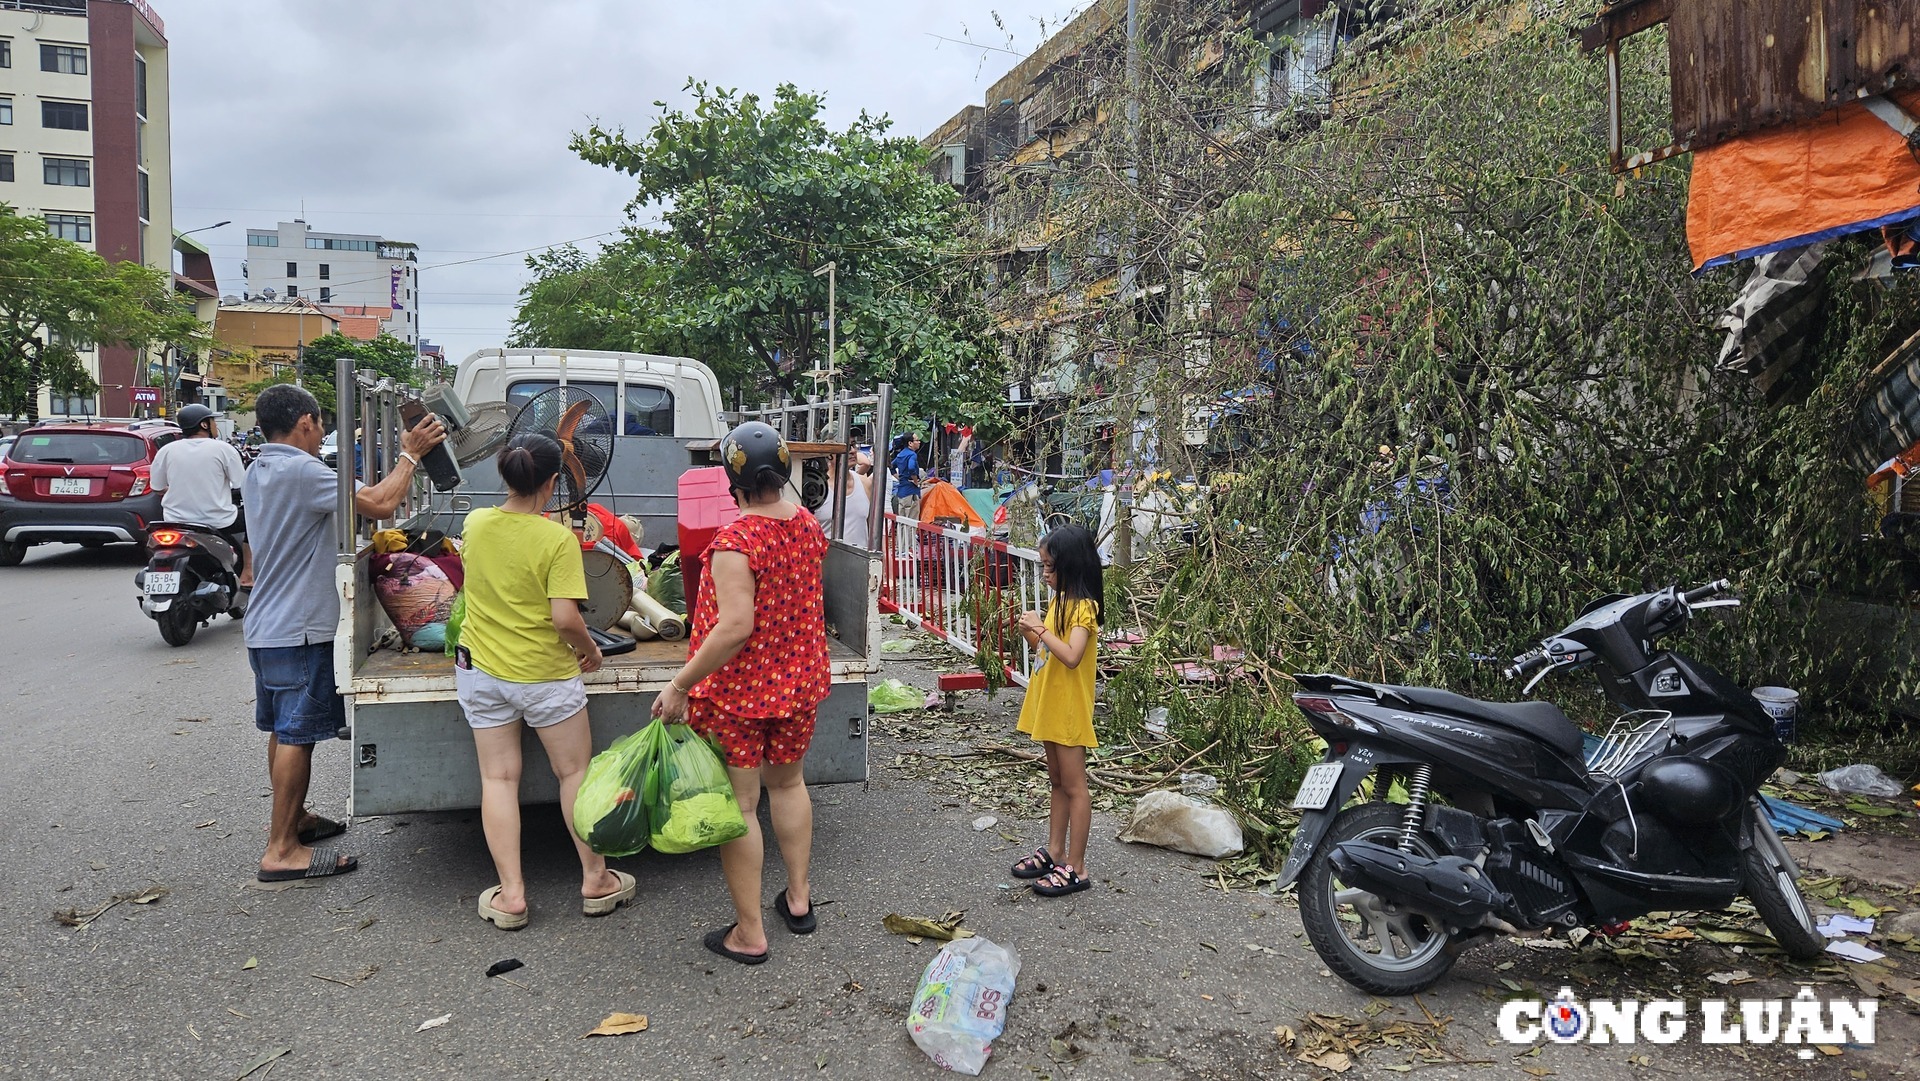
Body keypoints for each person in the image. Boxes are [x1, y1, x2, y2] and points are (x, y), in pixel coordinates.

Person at [244, 383, 445, 882]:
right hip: (300, 626)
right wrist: (410, 454)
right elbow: (379, 503)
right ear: (307, 422)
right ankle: (281, 849)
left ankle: (295, 820)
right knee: (297, 736)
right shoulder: (302, 469)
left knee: (282, 730)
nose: (321, 436)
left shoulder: (258, 468)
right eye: (319, 427)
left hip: (265, 624)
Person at [653, 420, 830, 965]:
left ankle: (750, 934)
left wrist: (680, 684)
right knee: (790, 785)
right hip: (798, 683)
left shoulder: (735, 542)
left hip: (741, 696)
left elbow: (734, 627)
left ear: (733, 479)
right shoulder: (804, 524)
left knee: (742, 806)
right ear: (782, 471)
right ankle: (797, 901)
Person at [459, 434, 632, 930]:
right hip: (546, 675)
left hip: (483, 673)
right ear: (555, 482)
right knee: (573, 774)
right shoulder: (556, 540)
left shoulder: (476, 522)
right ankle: (596, 881)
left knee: (498, 778)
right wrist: (591, 649)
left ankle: (512, 896)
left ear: (504, 475)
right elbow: (564, 619)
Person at [1009, 524, 1103, 898]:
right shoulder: (1059, 601)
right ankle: (1054, 850)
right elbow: (1045, 651)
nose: (1045, 574)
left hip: (1069, 710)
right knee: (1057, 783)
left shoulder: (1084, 608)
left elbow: (1071, 655)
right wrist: (1031, 632)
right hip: (1049, 702)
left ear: (1071, 565)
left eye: (1049, 567)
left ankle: (1076, 867)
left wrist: (1041, 631)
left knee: (1076, 787)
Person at [149, 404, 252, 586]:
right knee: (254, 519)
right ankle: (248, 572)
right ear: (204, 425)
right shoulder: (223, 449)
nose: (215, 425)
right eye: (212, 421)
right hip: (218, 521)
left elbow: (157, 487)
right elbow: (243, 485)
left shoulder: (166, 450)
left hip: (176, 521)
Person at [812, 449, 872, 548]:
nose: (853, 450)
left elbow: (871, 527)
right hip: (827, 559)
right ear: (829, 454)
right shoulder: (815, 489)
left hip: (860, 560)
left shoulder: (865, 483)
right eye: (847, 446)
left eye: (853, 444)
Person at [890, 433, 926, 518]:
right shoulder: (912, 455)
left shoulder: (900, 455)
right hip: (911, 492)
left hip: (902, 491)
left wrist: (899, 478)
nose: (919, 442)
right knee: (912, 520)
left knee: (902, 519)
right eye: (917, 440)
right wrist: (915, 481)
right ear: (910, 443)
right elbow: (911, 468)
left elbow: (891, 467)